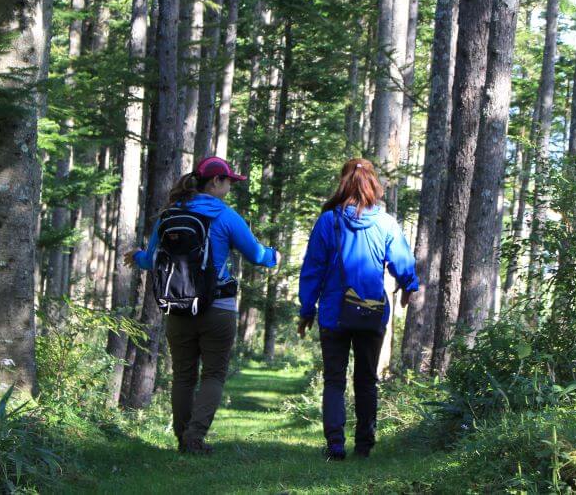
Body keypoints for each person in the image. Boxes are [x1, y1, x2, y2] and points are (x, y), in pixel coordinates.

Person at [125, 156, 278, 455]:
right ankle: (195, 436)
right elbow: (258, 255)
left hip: (178, 307)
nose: (231, 186)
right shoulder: (226, 216)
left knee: (183, 375)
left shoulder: (170, 215)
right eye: (229, 181)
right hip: (217, 307)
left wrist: (138, 255)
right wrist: (275, 256)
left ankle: (184, 439)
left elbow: (151, 259)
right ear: (215, 182)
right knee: (213, 374)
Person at [297, 158, 419, 461]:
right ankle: (364, 445)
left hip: (333, 313)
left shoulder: (328, 221)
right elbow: (402, 263)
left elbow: (313, 268)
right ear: (373, 185)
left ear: (343, 184)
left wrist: (307, 309)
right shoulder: (386, 223)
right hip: (371, 312)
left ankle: (335, 446)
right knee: (366, 380)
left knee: (334, 380)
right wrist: (409, 286)